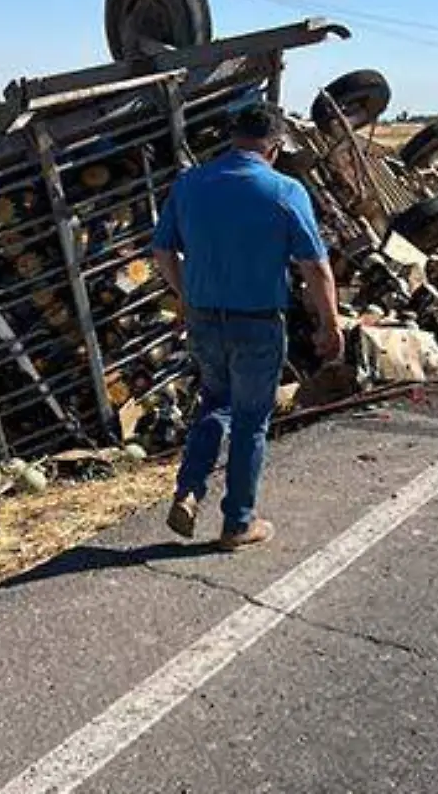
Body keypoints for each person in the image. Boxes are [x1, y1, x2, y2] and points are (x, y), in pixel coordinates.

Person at [150, 102, 344, 550]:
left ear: (232, 139)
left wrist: (185, 295)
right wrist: (330, 325)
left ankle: (189, 490)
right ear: (274, 147)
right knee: (251, 421)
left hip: (204, 317)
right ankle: (237, 522)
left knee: (215, 402)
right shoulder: (284, 191)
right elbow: (315, 266)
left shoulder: (190, 184)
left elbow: (162, 252)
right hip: (256, 322)